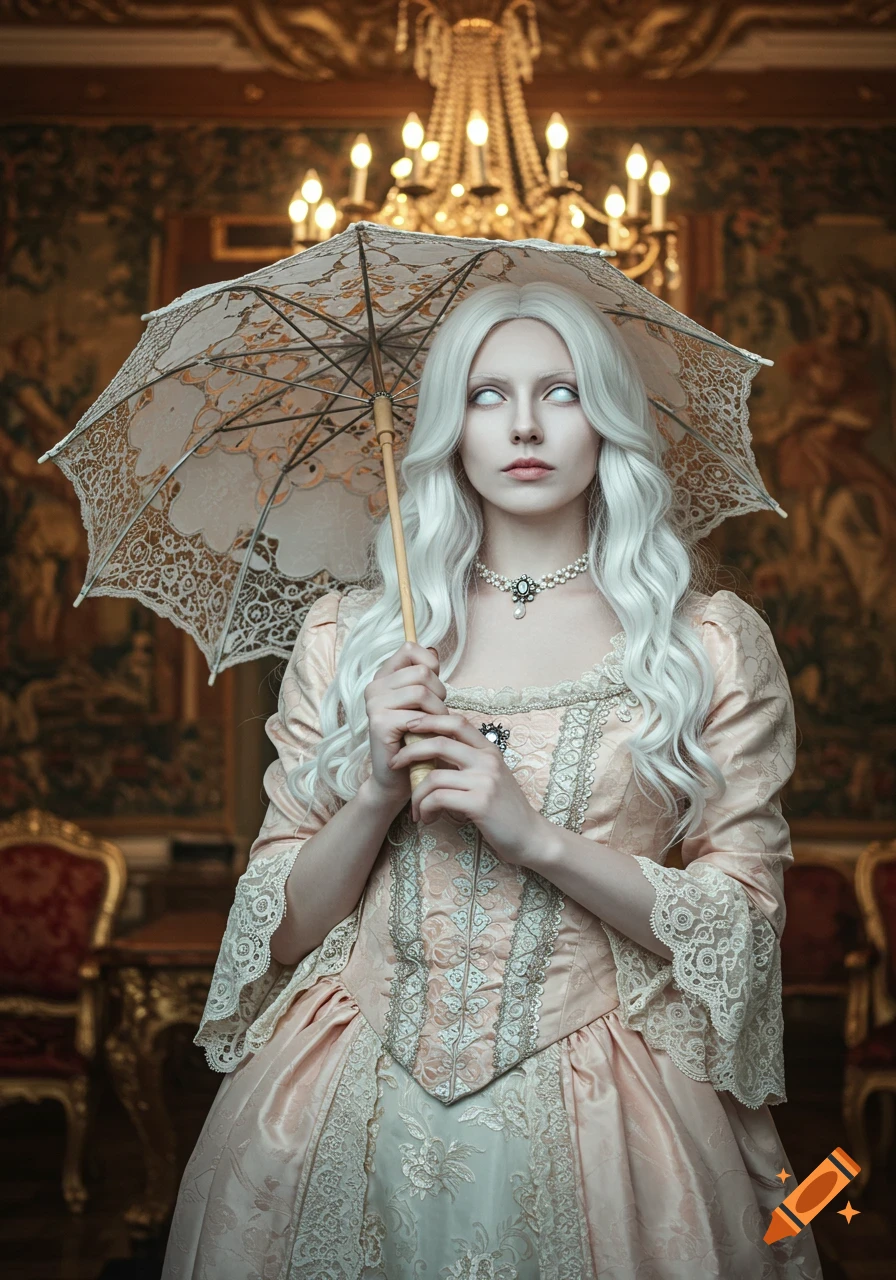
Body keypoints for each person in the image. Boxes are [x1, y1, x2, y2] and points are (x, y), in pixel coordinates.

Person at [161, 282, 824, 1279]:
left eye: (558, 391)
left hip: (615, 1108)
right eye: (484, 394)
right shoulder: (352, 636)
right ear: (445, 427)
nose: (522, 423)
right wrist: (378, 788)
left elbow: (737, 928)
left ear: (604, 417)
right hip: (342, 1093)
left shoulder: (702, 643)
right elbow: (285, 927)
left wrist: (537, 839)